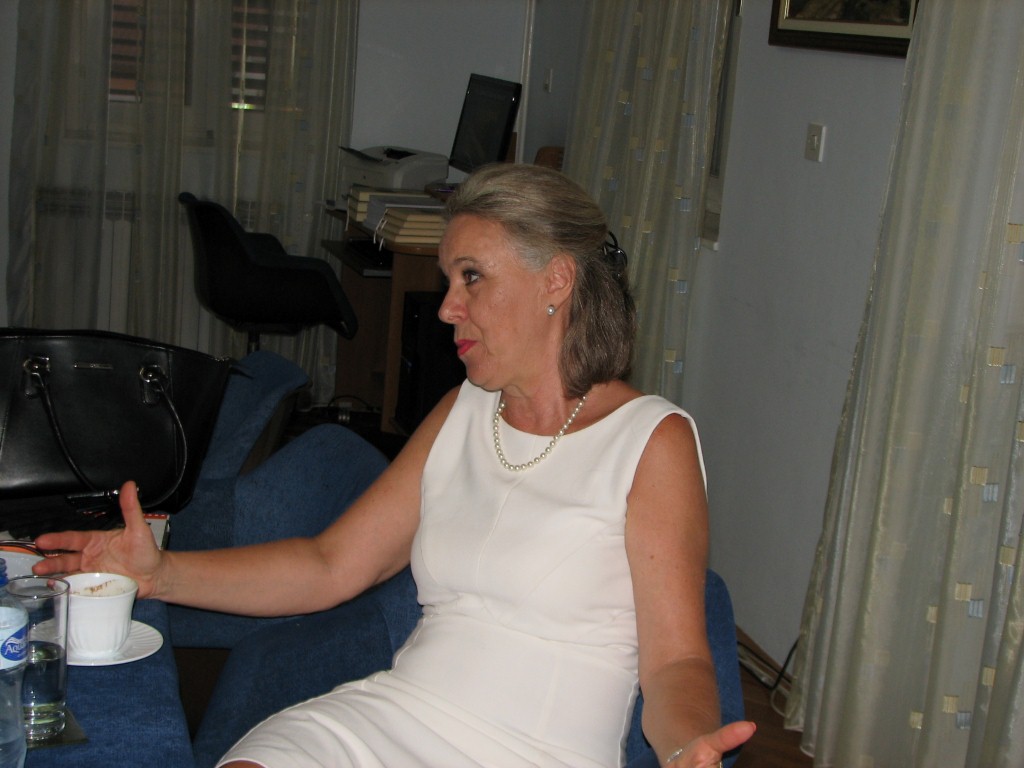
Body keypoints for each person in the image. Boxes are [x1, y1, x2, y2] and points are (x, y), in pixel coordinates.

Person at [34, 163, 755, 768]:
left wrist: (688, 744)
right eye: (449, 280)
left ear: (556, 281)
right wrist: (161, 573)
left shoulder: (650, 440)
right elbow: (329, 565)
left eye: (472, 278)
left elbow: (677, 663)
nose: (447, 308)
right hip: (387, 718)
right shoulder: (463, 409)